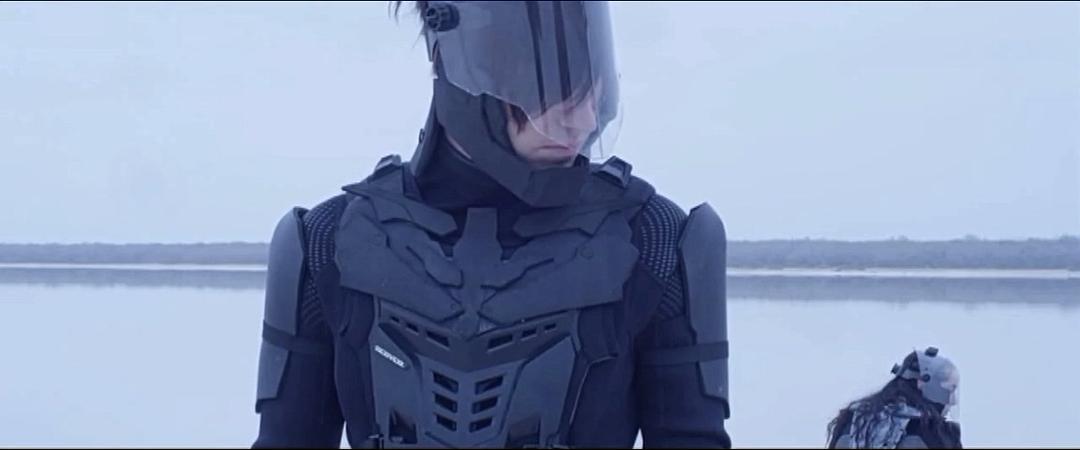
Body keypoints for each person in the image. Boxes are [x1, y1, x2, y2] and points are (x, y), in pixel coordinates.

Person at [252, 1, 731, 447]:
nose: (583, 119)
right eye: (552, 78)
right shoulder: (327, 244)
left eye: (591, 78)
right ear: (463, 59)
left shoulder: (655, 242)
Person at [827, 347, 962, 449]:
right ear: (921, 383)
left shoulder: (850, 419)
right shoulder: (934, 431)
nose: (952, 402)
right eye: (949, 389)